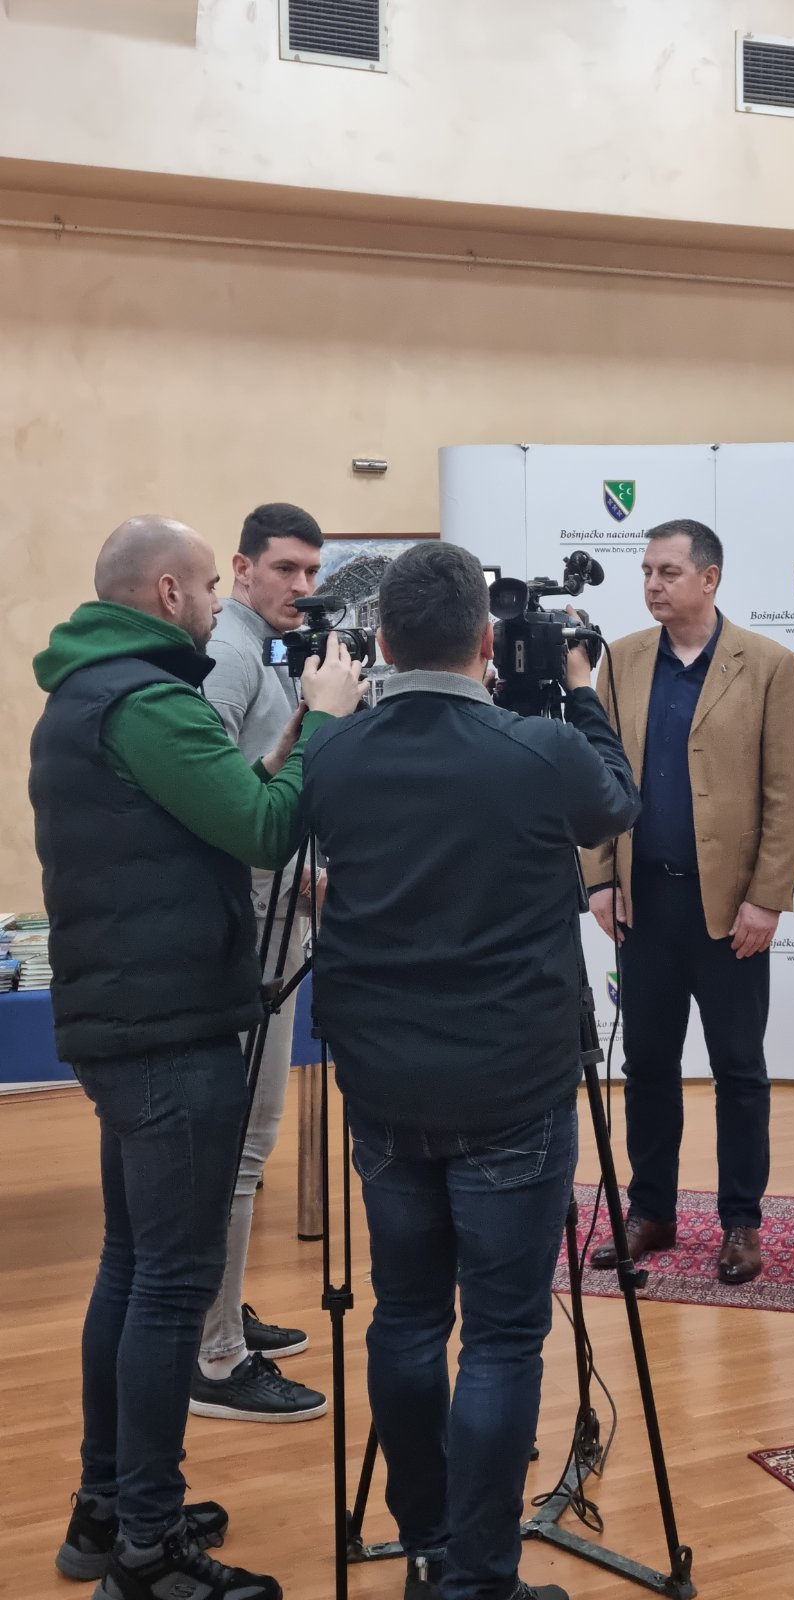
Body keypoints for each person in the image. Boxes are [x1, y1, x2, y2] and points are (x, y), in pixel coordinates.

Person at [29, 516, 364, 1600]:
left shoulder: (87, 693)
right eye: (212, 583)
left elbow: (212, 813)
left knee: (132, 1269)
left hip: (129, 1023)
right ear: (168, 592)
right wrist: (324, 722)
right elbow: (264, 832)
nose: (221, 601)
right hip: (171, 1030)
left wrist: (283, 743)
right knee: (171, 1285)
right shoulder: (150, 700)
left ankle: (109, 1509)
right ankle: (150, 1551)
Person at [302, 542, 640, 1600]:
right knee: (500, 1339)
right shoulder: (540, 748)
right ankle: (480, 1581)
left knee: (405, 1320)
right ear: (488, 642)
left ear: (382, 641)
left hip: (384, 1087)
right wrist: (579, 689)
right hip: (512, 1090)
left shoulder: (333, 753)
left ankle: (429, 1550)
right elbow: (616, 805)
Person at [582, 518, 794, 1287]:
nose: (652, 584)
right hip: (644, 905)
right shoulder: (621, 660)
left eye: (669, 572)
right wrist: (600, 878)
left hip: (730, 913)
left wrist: (767, 899)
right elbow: (594, 775)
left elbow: (788, 795)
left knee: (739, 1070)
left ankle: (741, 1222)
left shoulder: (769, 666)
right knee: (647, 1066)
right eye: (647, 571)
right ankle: (651, 1212)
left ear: (709, 578)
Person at [189, 502, 329, 1425]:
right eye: (285, 569)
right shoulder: (233, 656)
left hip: (275, 924)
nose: (302, 588)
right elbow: (212, 803)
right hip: (248, 935)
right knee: (242, 1147)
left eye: (313, 572)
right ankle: (214, 1355)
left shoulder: (265, 651)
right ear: (241, 568)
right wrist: (286, 874)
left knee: (248, 1142)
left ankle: (218, 1308)